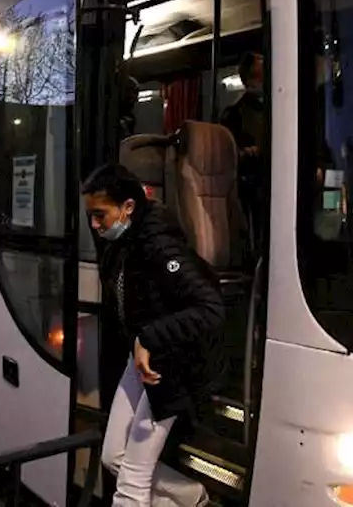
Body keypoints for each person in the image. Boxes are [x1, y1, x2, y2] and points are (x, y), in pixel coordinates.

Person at [84, 164, 224, 507]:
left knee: (132, 484)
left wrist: (148, 336)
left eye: (100, 215)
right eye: (91, 215)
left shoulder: (160, 246)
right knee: (112, 456)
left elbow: (210, 308)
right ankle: (192, 498)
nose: (94, 225)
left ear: (128, 207)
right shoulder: (122, 243)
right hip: (143, 357)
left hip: (172, 364)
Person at [220, 52, 266, 232]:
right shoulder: (234, 115)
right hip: (251, 192)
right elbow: (227, 157)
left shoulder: (277, 112)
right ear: (251, 78)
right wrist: (252, 152)